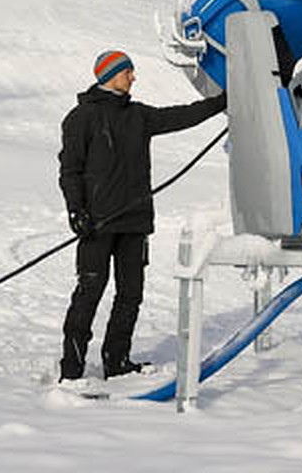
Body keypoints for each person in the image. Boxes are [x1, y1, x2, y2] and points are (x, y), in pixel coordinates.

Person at [58, 48, 227, 381]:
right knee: (90, 291)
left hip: (134, 222)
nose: (133, 77)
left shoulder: (137, 116)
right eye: (127, 72)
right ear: (109, 76)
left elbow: (182, 116)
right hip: (97, 224)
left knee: (130, 294)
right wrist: (76, 211)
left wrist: (222, 102)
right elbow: (69, 171)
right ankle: (71, 368)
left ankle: (117, 361)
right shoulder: (81, 118)